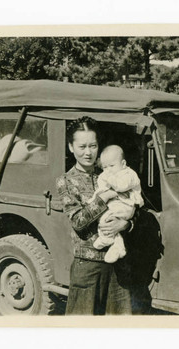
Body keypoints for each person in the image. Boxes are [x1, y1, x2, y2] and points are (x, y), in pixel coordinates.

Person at [56, 117, 134, 315]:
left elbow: (133, 206)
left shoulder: (112, 173)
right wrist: (106, 196)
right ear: (71, 147)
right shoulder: (65, 182)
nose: (88, 152)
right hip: (87, 267)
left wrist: (125, 224)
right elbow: (78, 222)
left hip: (117, 264)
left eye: (93, 145)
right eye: (82, 146)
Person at [90, 145, 144, 263]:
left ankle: (108, 239)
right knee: (103, 218)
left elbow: (121, 186)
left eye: (112, 166)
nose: (108, 170)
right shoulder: (112, 174)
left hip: (126, 206)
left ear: (123, 164)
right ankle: (117, 245)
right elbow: (102, 189)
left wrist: (108, 178)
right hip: (118, 205)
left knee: (107, 217)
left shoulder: (129, 174)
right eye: (105, 167)